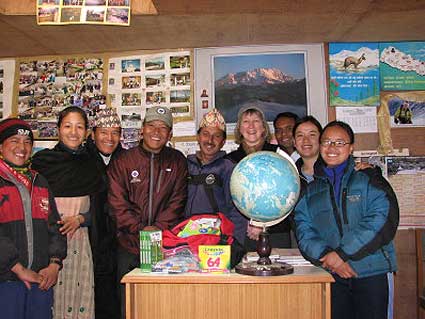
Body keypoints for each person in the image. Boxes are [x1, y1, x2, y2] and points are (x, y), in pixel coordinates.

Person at [294, 121, 399, 319]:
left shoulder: (369, 179)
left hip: (371, 272)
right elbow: (303, 230)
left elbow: (382, 218)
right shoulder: (311, 191)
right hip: (332, 275)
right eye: (326, 142)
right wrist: (329, 257)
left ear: (351, 147)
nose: (332, 148)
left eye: (339, 143)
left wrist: (342, 254)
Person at [108, 106, 188, 318]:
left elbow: (178, 201)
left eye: (163, 128)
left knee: (163, 304)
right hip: (129, 245)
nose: (156, 132)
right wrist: (143, 229)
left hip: (164, 247)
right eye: (151, 126)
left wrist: (157, 230)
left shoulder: (178, 160)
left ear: (170, 134)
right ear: (142, 129)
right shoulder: (123, 160)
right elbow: (117, 204)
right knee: (129, 304)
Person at [32, 107, 103, 319]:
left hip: (81, 244)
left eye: (79, 127)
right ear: (58, 129)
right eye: (68, 126)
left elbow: (103, 205)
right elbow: (33, 204)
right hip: (47, 243)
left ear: (87, 132)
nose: (74, 132)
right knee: (49, 300)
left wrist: (82, 219)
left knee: (80, 300)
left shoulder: (93, 163)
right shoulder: (42, 162)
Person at [0, 118, 67, 319]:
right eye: (14, 140)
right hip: (7, 280)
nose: (22, 147)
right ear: (1, 146)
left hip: (41, 279)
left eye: (27, 142)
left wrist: (54, 264)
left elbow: (55, 227)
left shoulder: (39, 182)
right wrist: (18, 268)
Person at [226, 106, 292, 250]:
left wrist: (262, 223)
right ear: (239, 128)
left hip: (276, 232)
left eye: (256, 121)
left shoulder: (279, 155)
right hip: (241, 233)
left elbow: (290, 194)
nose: (251, 126)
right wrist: (250, 223)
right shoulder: (229, 161)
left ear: (263, 128)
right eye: (246, 122)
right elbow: (228, 199)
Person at [185, 108, 247, 244]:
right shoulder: (185, 165)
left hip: (217, 239)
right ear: (198, 137)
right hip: (186, 236)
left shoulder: (229, 168)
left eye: (217, 136)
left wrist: (235, 243)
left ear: (223, 142)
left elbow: (237, 211)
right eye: (205, 134)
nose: (210, 140)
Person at [86, 108, 123, 319]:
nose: (109, 138)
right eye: (103, 132)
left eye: (115, 132)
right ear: (93, 134)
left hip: (119, 243)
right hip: (89, 239)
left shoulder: (126, 160)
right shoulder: (83, 159)